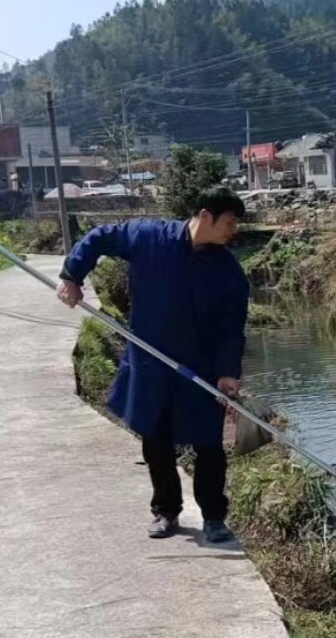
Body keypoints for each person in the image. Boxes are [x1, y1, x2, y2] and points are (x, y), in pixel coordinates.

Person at [56, 187, 250, 543]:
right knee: (156, 439)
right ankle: (166, 511)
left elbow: (232, 327)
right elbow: (100, 237)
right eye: (229, 222)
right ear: (205, 216)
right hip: (150, 362)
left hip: (201, 367)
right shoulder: (148, 237)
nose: (233, 230)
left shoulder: (228, 272)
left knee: (209, 443)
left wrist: (227, 372)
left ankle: (213, 517)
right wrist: (72, 275)